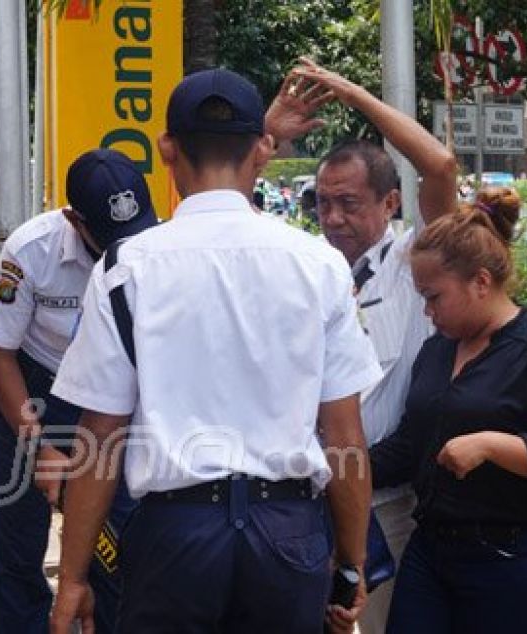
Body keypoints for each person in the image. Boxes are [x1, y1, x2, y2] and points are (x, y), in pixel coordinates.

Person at [48, 68, 380, 634]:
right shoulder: (318, 265)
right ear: (262, 150)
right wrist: (351, 563)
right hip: (288, 532)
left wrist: (73, 577)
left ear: (167, 150)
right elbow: (344, 435)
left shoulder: (125, 270)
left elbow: (100, 436)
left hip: (174, 538)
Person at [264, 57, 457, 633]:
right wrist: (270, 135)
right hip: (308, 497)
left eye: (350, 203)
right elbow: (219, 206)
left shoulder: (413, 263)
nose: (333, 217)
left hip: (391, 504)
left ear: (390, 204)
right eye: (323, 203)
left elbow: (441, 165)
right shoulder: (304, 268)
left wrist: (351, 94)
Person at [371, 187, 527, 633]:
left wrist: (494, 446)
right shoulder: (438, 350)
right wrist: (341, 470)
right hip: (433, 551)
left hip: (516, 558)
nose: (426, 311)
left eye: (434, 296)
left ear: (480, 282)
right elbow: (411, 444)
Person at [0, 148, 158, 633]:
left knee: (115, 533)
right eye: (110, 237)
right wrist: (38, 446)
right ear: (75, 220)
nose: (125, 247)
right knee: (19, 540)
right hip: (32, 389)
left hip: (106, 393)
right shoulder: (30, 250)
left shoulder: (158, 246)